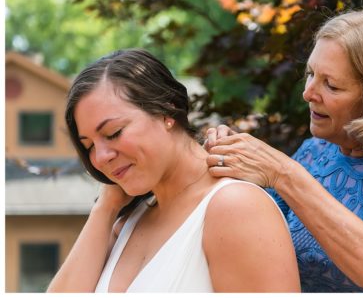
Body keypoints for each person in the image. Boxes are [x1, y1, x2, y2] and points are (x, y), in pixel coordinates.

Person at [203, 8, 363, 292]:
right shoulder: (315, 152)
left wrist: (284, 174)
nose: (308, 93)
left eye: (331, 85)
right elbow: (256, 236)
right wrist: (226, 162)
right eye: (310, 74)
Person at [47, 49, 299, 292]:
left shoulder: (236, 207)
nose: (101, 157)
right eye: (88, 145)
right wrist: (105, 207)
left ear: (166, 111)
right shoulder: (126, 224)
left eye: (113, 133)